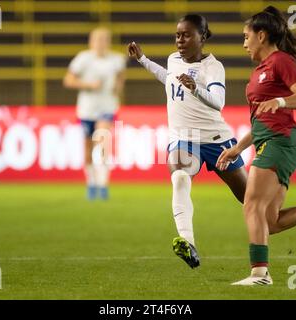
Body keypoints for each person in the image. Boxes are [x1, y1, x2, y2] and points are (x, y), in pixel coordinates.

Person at [216, 6, 296, 286]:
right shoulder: (258, 73)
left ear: (261, 35)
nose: (243, 43)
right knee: (270, 221)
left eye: (246, 36)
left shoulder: (280, 61)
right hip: (269, 141)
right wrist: (238, 148)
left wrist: (280, 101)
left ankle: (260, 274)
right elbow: (259, 122)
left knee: (251, 204)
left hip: (280, 142)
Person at [128, 14, 248, 269]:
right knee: (180, 176)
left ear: (202, 38)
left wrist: (195, 88)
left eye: (186, 35)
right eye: (177, 35)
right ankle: (188, 243)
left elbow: (219, 102)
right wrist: (143, 60)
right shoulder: (173, 60)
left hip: (217, 140)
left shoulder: (213, 67)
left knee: (254, 203)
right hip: (185, 139)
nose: (180, 40)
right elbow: (168, 78)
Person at [63, 27, 126, 200]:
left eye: (104, 39)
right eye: (97, 39)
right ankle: (91, 182)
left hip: (107, 108)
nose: (100, 43)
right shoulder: (83, 59)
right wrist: (89, 85)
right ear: (91, 42)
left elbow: (121, 76)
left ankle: (103, 184)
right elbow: (68, 80)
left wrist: (117, 88)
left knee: (102, 140)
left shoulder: (116, 59)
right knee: (87, 149)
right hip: (86, 109)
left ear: (108, 41)